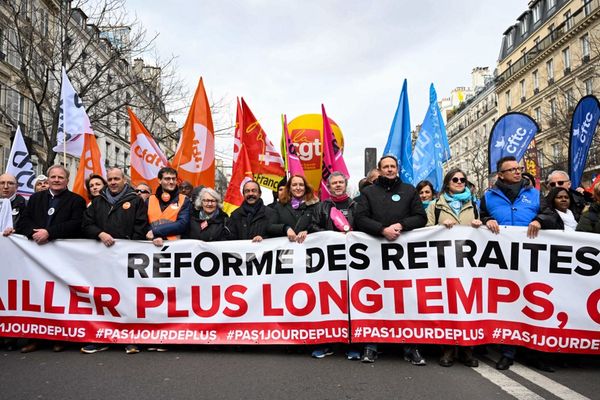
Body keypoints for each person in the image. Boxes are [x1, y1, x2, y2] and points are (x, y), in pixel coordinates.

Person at [479, 156, 550, 371]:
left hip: (531, 259)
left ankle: (534, 352)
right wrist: (485, 221)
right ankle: (507, 353)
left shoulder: (534, 194)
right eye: (511, 170)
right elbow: (479, 216)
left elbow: (549, 215)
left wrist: (540, 221)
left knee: (534, 304)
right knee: (508, 305)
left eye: (519, 169)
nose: (518, 172)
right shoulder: (488, 197)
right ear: (501, 174)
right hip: (503, 260)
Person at [354, 155, 427, 365]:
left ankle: (410, 346)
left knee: (405, 299)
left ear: (397, 168)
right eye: (385, 166)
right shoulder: (368, 192)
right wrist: (382, 230)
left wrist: (401, 225)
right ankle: (370, 346)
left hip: (403, 258)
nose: (389, 170)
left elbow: (420, 217)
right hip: (374, 256)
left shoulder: (409, 190)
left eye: (392, 166)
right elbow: (360, 218)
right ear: (380, 169)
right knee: (374, 299)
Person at [12, 165, 86, 353]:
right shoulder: (36, 198)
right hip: (37, 256)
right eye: (53, 177)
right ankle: (36, 339)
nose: (56, 180)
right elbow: (24, 221)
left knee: (60, 297)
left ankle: (61, 338)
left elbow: (77, 224)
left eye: (60, 177)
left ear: (67, 180)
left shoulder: (76, 200)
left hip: (62, 257)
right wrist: (34, 234)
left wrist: (49, 233)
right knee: (37, 296)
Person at [81, 167, 149, 354]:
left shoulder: (135, 201)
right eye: (110, 179)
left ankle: (131, 338)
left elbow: (141, 226)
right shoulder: (98, 202)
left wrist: (127, 247)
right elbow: (86, 224)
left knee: (128, 299)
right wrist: (100, 233)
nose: (112, 182)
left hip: (127, 260)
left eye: (116, 179)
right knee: (104, 299)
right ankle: (101, 338)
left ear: (124, 181)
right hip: (102, 259)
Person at [426, 168, 481, 368]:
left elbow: (483, 231)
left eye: (462, 180)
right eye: (455, 179)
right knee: (447, 305)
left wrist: (479, 225)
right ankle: (447, 349)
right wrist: (439, 228)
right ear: (448, 183)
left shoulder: (473, 204)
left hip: (468, 264)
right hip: (444, 264)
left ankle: (467, 350)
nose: (459, 182)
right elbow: (424, 230)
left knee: (467, 305)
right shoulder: (435, 205)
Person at [311, 171, 358, 359]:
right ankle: (327, 343)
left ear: (345, 184)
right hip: (329, 262)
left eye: (341, 182)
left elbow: (364, 225)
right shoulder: (321, 207)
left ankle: (353, 344)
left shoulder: (356, 205)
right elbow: (313, 227)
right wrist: (331, 236)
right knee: (329, 303)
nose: (338, 185)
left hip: (352, 262)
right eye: (334, 183)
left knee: (351, 303)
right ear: (328, 187)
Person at [146, 167, 191, 247]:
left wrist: (155, 231)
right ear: (159, 180)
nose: (171, 182)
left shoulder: (184, 199)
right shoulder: (149, 199)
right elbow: (143, 224)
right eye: (167, 179)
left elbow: (182, 224)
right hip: (152, 246)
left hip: (175, 247)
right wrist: (155, 237)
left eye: (174, 179)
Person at [271, 174, 319, 243]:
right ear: (289, 188)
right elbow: (270, 226)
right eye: (294, 185)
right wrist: (285, 228)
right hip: (288, 251)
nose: (298, 188)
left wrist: (308, 231)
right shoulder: (279, 206)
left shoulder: (315, 206)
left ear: (305, 188)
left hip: (310, 249)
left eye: (301, 185)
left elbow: (321, 226)